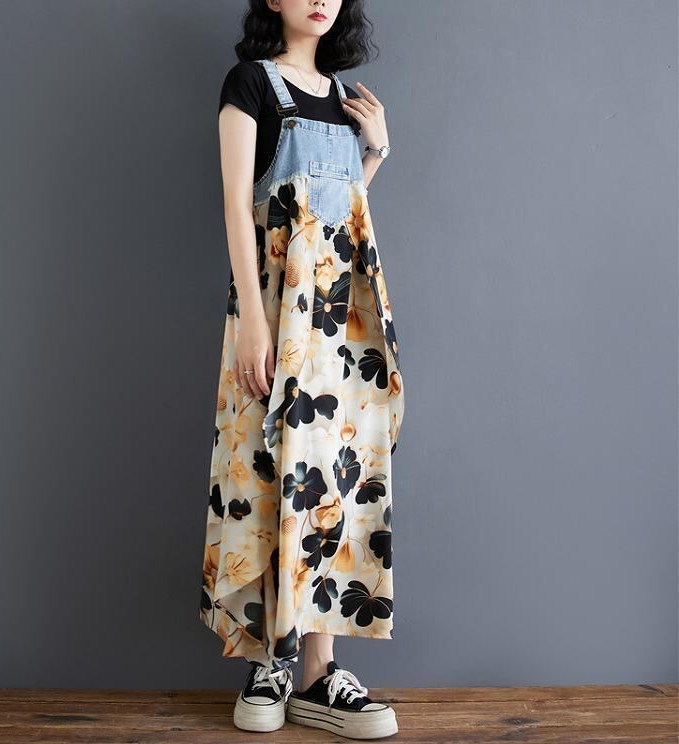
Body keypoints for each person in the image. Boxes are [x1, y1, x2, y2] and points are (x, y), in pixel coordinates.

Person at [198, 0, 405, 738]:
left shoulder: (347, 102)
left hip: (342, 325)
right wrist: (253, 318)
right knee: (265, 468)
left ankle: (319, 674)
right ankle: (269, 662)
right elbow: (237, 205)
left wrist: (376, 151)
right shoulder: (251, 83)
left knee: (332, 482)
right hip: (275, 313)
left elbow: (342, 216)